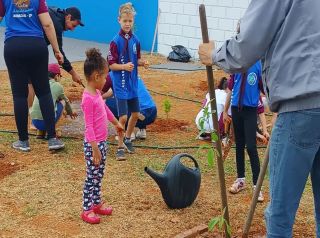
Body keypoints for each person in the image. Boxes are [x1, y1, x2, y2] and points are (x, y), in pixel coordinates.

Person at [198, 1, 320, 237]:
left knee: (280, 216)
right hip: (301, 102)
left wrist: (213, 55)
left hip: (299, 106)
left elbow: (248, 44)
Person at [0, 0, 65, 151]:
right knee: (43, 92)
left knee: (19, 95)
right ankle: (53, 139)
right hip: (36, 46)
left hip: (13, 46)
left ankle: (23, 141)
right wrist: (57, 50)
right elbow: (47, 24)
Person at [80, 48, 123, 224]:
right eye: (105, 76)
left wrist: (115, 123)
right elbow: (89, 126)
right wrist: (95, 148)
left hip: (102, 142)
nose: (106, 80)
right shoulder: (87, 99)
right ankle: (86, 208)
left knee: (99, 175)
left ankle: (96, 203)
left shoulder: (97, 93)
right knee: (91, 176)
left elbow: (105, 109)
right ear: (97, 76)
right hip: (93, 145)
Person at [107, 2, 149, 160]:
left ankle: (128, 138)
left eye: (130, 21)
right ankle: (119, 148)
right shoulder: (115, 41)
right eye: (125, 21)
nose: (127, 24)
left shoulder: (136, 40)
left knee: (136, 114)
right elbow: (112, 65)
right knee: (123, 117)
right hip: (121, 85)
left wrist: (142, 62)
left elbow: (136, 59)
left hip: (132, 85)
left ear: (133, 22)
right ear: (119, 20)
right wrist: (124, 66)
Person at [223, 61, 266, 202]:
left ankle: (257, 186)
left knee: (251, 147)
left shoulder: (258, 65)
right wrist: (225, 110)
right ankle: (240, 180)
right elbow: (230, 89)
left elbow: (264, 88)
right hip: (236, 110)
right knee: (239, 146)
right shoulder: (237, 64)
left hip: (250, 111)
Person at [27, 6, 84, 109]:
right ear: (68, 17)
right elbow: (59, 53)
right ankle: (31, 112)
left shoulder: (55, 12)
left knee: (36, 79)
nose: (72, 29)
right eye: (73, 25)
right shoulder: (56, 25)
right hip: (30, 45)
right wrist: (73, 74)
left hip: (29, 43)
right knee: (31, 81)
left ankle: (34, 108)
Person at [102, 72, 157, 140]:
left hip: (137, 115)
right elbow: (112, 92)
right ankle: (142, 130)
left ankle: (129, 133)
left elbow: (100, 93)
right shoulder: (132, 72)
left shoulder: (111, 75)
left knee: (110, 102)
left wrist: (91, 96)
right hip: (152, 112)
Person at [29, 63, 77, 139]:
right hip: (46, 122)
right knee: (62, 102)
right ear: (56, 76)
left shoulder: (39, 83)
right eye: (60, 76)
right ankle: (51, 132)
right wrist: (70, 112)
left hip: (34, 121)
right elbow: (66, 101)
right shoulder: (58, 85)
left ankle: (40, 133)